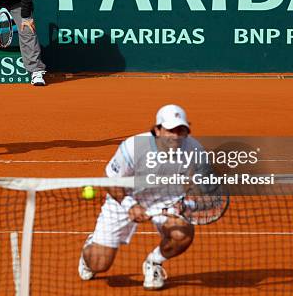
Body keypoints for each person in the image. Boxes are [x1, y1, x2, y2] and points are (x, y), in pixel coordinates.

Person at [78, 104, 204, 290]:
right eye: (170, 130)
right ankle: (92, 245)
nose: (176, 135)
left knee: (182, 233)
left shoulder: (194, 150)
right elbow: (110, 180)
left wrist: (186, 204)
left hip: (165, 199)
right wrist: (130, 205)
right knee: (98, 263)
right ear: (157, 130)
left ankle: (154, 263)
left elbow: (198, 186)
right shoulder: (133, 147)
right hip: (125, 196)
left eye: (181, 130)